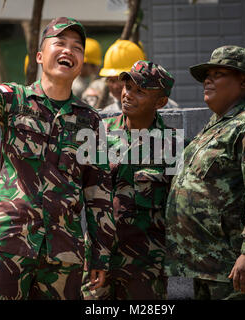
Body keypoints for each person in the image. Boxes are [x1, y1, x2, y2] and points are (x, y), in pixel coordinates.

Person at [0, 17, 115, 300]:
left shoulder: (90, 122)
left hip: (64, 255)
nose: (69, 51)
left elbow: (98, 194)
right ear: (40, 56)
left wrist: (100, 256)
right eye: (60, 43)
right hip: (10, 244)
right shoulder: (15, 100)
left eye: (77, 47)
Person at [164, 45, 245, 300]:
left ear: (244, 81)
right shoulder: (216, 126)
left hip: (234, 266)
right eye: (207, 75)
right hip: (207, 264)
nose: (208, 80)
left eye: (219, 73)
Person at [82, 60, 176, 300]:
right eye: (128, 86)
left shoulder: (172, 146)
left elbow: (178, 208)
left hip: (145, 266)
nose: (128, 95)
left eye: (140, 91)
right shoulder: (100, 134)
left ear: (161, 102)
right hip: (97, 258)